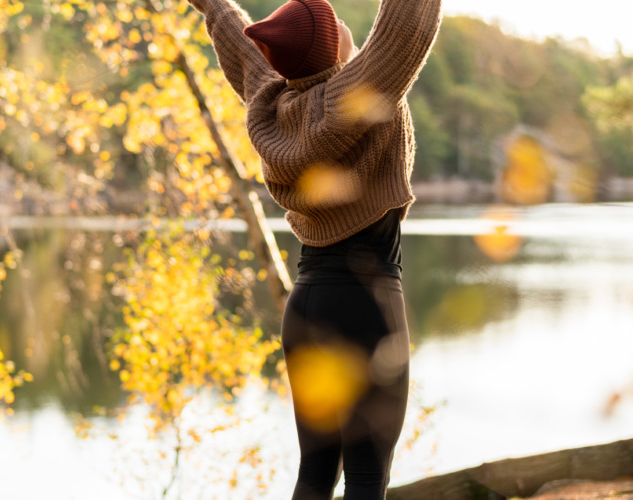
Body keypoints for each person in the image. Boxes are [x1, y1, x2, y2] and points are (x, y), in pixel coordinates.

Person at [181, 0, 442, 498]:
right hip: (367, 305)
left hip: (307, 307)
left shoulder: (271, 106)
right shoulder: (362, 93)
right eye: (332, 18)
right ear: (328, 44)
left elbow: (241, 44)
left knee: (317, 472)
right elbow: (407, 23)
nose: (345, 21)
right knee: (368, 476)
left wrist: (210, 3)